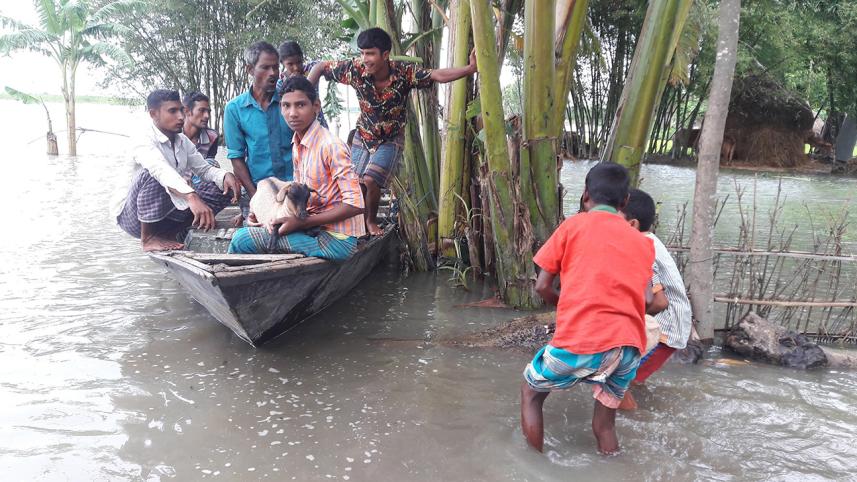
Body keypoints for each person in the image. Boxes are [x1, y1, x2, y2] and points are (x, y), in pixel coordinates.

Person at [520, 162, 656, 455]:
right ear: (625, 201)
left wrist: (570, 307)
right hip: (628, 347)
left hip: (583, 339)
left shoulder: (572, 226)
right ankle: (614, 469)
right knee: (605, 426)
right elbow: (647, 301)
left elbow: (542, 286)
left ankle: (532, 468)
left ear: (585, 196)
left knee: (531, 392)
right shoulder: (643, 242)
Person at [308, 27, 478, 236]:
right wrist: (308, 92)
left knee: (370, 180)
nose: (365, 59)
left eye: (370, 53)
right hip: (364, 135)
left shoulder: (404, 73)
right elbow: (320, 67)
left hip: (391, 138)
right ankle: (357, 229)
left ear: (385, 55)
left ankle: (370, 222)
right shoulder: (355, 70)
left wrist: (470, 69)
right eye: (362, 53)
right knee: (355, 183)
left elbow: (437, 74)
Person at [228, 77, 365, 260]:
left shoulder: (331, 145)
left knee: (240, 239)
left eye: (300, 105)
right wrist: (265, 216)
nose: (292, 113)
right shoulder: (298, 144)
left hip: (337, 240)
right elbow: (300, 198)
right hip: (314, 229)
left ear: (316, 106)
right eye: (286, 106)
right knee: (255, 226)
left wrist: (301, 223)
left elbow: (355, 205)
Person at [112, 89, 241, 252]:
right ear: (153, 114)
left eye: (181, 110)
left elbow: (205, 170)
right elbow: (160, 170)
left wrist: (225, 176)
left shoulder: (182, 141)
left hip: (168, 210)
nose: (180, 116)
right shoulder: (143, 138)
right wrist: (191, 196)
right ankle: (149, 238)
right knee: (152, 175)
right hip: (133, 217)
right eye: (172, 111)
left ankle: (170, 233)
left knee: (222, 186)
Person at [618, 188, 693, 409]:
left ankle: (638, 427)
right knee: (631, 378)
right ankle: (645, 406)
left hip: (665, 329)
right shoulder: (647, 240)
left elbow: (659, 302)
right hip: (668, 324)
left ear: (632, 224)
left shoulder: (641, 246)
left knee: (616, 382)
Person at [224, 41, 295, 225]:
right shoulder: (235, 109)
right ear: (249, 69)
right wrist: (256, 196)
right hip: (257, 188)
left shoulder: (290, 102)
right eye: (265, 67)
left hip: (294, 188)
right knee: (257, 235)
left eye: (275, 67)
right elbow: (236, 158)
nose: (273, 73)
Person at [277, 40, 327, 128]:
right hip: (298, 129)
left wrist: (302, 84)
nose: (296, 68)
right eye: (290, 64)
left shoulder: (310, 69)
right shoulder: (281, 83)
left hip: (318, 126)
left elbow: (322, 65)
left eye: (299, 62)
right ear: (282, 63)